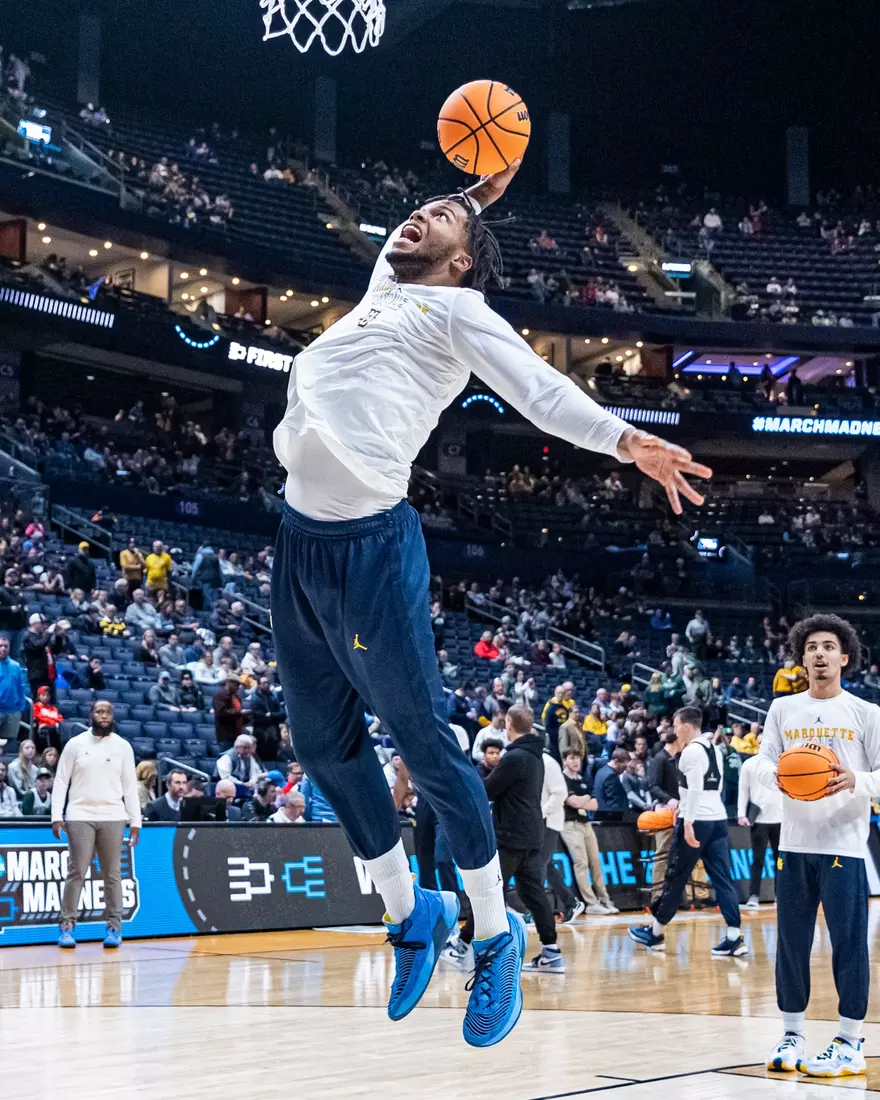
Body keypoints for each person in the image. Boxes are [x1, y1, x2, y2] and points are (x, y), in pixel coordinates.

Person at [269, 161, 710, 1046]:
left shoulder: (460, 312)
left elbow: (542, 394)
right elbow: (424, 218)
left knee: (426, 742)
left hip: (371, 543)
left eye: (434, 221)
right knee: (321, 743)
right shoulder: (379, 290)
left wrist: (628, 442)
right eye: (416, 212)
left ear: (463, 263)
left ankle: (496, 933)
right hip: (299, 538)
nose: (411, 221)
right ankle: (409, 912)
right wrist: (469, 198)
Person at [759, 615, 878, 1077]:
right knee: (791, 943)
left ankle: (850, 1040)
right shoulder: (782, 710)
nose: (820, 654)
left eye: (829, 647)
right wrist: (780, 778)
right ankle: (792, 1032)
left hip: (844, 846)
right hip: (794, 843)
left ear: (844, 657)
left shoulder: (867, 713)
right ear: (802, 658)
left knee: (849, 945)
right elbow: (762, 762)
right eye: (812, 648)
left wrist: (858, 779)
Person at [629, 706, 745, 958]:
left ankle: (656, 932)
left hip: (697, 818)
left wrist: (689, 822)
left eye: (675, 723)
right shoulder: (715, 748)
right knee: (722, 878)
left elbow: (693, 790)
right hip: (718, 817)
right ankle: (735, 936)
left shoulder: (690, 752)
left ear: (685, 726)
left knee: (676, 876)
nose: (673, 729)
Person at [458, 704, 564, 973]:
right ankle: (551, 951)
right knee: (532, 892)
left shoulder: (515, 756)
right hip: (532, 832)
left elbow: (488, 790)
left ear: (509, 724)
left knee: (491, 891)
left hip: (511, 834)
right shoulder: (537, 755)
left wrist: (467, 780)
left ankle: (462, 944)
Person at [52, 700, 141, 949]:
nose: (104, 715)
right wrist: (56, 815)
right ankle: (66, 926)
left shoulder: (123, 747)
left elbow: (130, 787)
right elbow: (60, 782)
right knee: (77, 872)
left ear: (113, 716)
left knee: (113, 875)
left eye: (108, 712)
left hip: (114, 815)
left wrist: (135, 820)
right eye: (99, 711)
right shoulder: (75, 744)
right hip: (79, 813)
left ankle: (114, 927)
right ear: (91, 715)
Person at [560, 748, 617, 914]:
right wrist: (584, 800)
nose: (576, 761)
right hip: (569, 824)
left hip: (586, 824)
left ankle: (605, 900)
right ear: (565, 761)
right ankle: (591, 903)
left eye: (578, 758)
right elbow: (573, 802)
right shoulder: (562, 779)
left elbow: (595, 804)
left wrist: (582, 801)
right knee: (581, 863)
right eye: (571, 758)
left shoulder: (584, 778)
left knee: (596, 863)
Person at [737, 736, 782, 910]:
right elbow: (743, 790)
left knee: (781, 861)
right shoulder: (749, 764)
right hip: (760, 819)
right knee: (758, 860)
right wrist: (741, 813)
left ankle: (780, 894)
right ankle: (753, 895)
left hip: (781, 818)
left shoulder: (783, 762)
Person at [539, 746, 582, 922]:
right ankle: (571, 903)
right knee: (544, 866)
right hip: (537, 822)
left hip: (549, 821)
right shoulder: (528, 760)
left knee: (538, 866)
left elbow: (560, 793)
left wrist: (540, 812)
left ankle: (539, 911)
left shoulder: (548, 762)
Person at [646, 729, 681, 903]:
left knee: (678, 855)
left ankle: (676, 895)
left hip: (678, 810)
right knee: (661, 854)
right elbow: (652, 785)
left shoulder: (677, 759)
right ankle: (657, 896)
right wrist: (669, 799)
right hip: (663, 810)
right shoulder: (659, 759)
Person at [250, 675, 286, 761]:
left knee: (273, 757)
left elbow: (283, 714)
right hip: (261, 734)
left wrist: (271, 715)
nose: (266, 685)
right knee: (263, 758)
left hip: (273, 733)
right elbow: (260, 717)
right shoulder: (255, 699)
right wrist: (273, 716)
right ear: (258, 685)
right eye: (263, 683)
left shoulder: (272, 697)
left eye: (267, 683)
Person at [214, 673, 250, 751]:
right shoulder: (220, 695)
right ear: (230, 683)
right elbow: (221, 713)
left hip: (237, 734)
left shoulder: (236, 697)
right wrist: (240, 713)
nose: (238, 687)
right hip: (226, 735)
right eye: (236, 685)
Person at [0, 635, 26, 744]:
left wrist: (21, 707)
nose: (3, 648)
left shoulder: (16, 666)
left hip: (13, 711)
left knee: (10, 743)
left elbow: (21, 687)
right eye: (0, 646)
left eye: (6, 646)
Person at [541, 683, 574, 763]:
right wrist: (554, 735)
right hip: (554, 738)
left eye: (562, 693)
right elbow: (546, 723)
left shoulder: (565, 707)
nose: (561, 695)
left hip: (564, 736)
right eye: (559, 693)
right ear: (555, 693)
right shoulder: (550, 706)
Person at [592, 748, 630, 813]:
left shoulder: (601, 771)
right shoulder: (611, 776)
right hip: (611, 818)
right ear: (616, 761)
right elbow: (614, 803)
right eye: (624, 766)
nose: (625, 769)